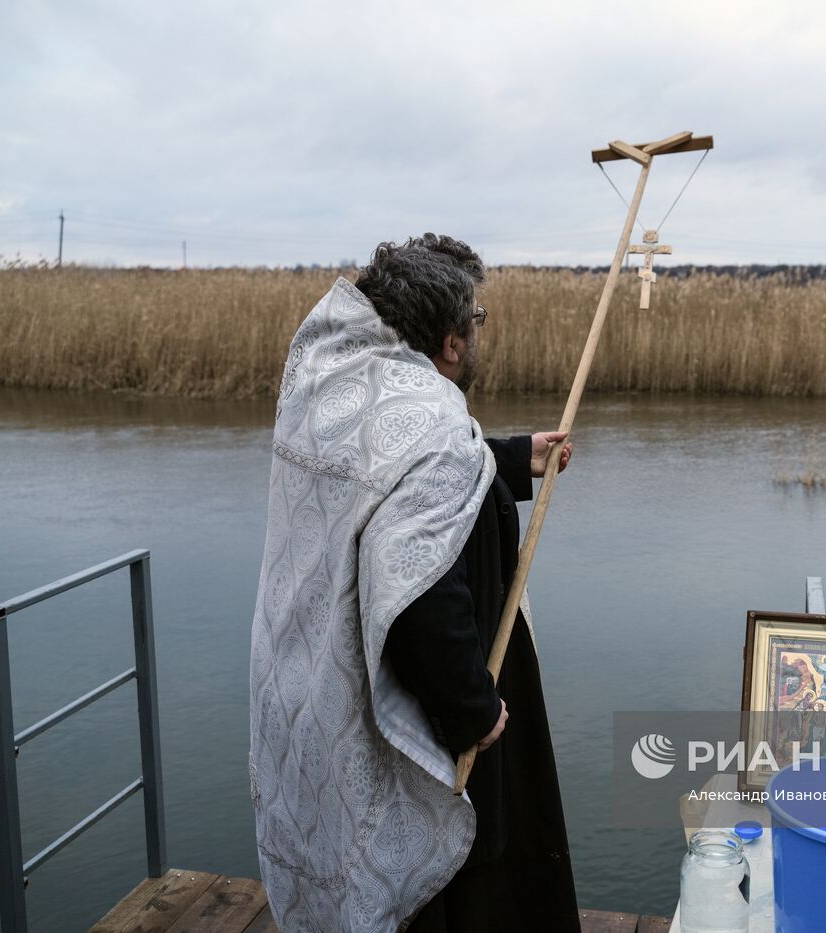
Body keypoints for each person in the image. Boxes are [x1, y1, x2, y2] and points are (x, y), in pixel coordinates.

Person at [249, 233, 579, 932]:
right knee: (453, 890)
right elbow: (421, 596)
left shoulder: (338, 383)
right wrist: (475, 711)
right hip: (424, 722)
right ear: (452, 342)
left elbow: (388, 469)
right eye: (476, 320)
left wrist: (509, 458)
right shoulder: (435, 422)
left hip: (313, 687)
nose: (478, 332)